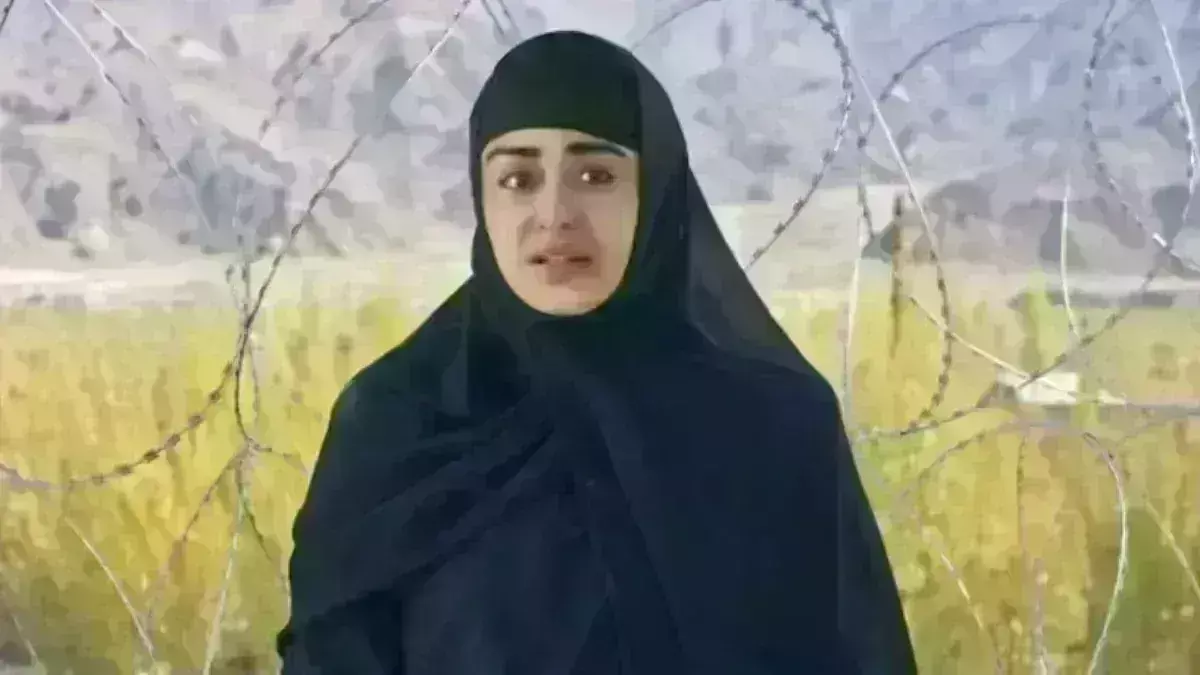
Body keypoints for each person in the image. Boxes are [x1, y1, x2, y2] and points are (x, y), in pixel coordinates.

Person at [277, 30, 917, 675]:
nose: (555, 213)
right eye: (518, 178)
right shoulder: (397, 423)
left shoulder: (773, 427)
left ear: (655, 189)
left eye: (596, 175)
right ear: (482, 198)